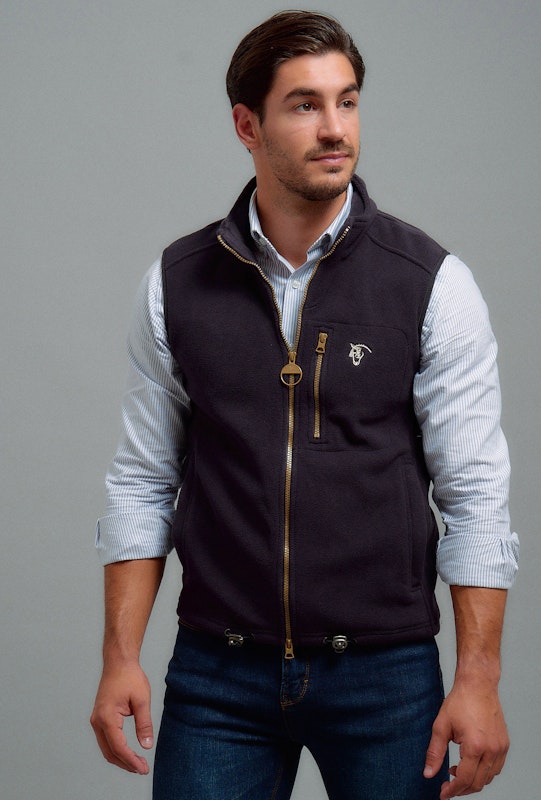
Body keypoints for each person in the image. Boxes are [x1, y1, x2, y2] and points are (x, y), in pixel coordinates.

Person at [90, 10, 519, 800]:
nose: (335, 128)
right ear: (246, 125)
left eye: (347, 101)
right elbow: (143, 481)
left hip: (387, 675)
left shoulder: (430, 282)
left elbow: (475, 494)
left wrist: (479, 678)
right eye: (305, 105)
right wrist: (120, 658)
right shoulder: (176, 284)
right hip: (218, 675)